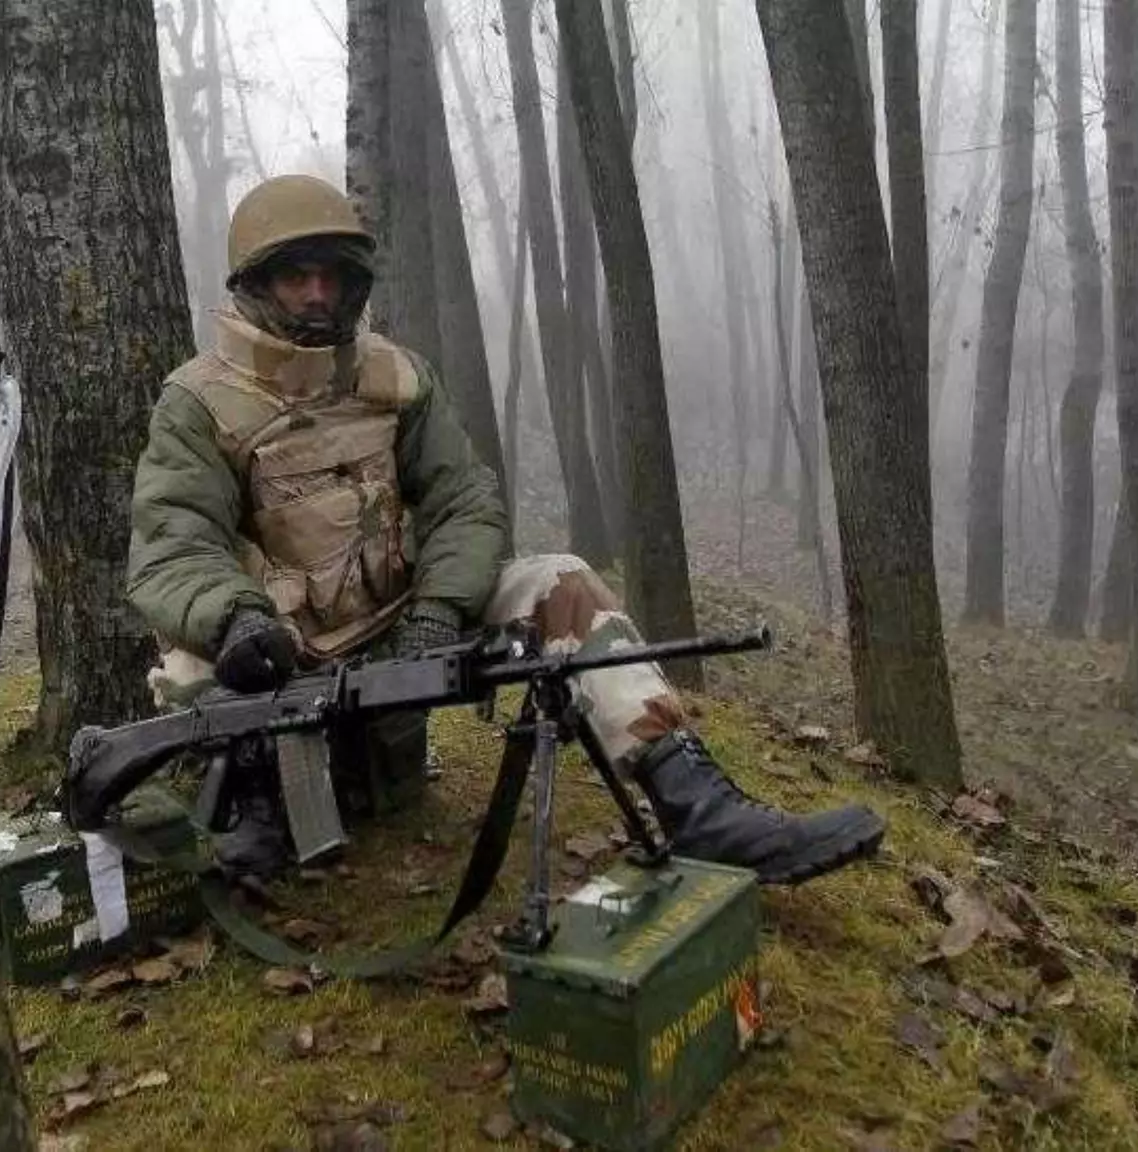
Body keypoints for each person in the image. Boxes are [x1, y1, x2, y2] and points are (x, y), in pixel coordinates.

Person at [125, 173, 886, 885]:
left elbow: (464, 499)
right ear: (256, 285)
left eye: (333, 275)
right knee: (189, 659)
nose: (319, 293)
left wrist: (440, 605)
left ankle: (697, 802)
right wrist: (240, 621)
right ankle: (256, 806)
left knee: (560, 579)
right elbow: (172, 542)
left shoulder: (396, 376)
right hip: (280, 653)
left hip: (405, 622)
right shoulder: (198, 402)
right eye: (298, 276)